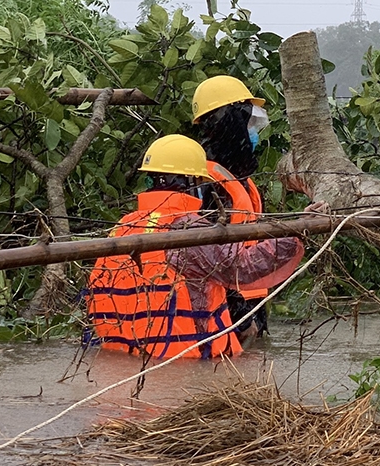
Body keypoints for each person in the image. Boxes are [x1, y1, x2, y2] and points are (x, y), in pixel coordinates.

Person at [85, 135, 305, 360]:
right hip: (184, 367)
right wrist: (297, 234)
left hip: (122, 363)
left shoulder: (124, 226)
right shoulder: (188, 229)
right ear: (190, 182)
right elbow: (243, 267)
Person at [191, 75, 321, 340]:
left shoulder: (240, 179)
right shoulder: (205, 180)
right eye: (249, 123)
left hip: (250, 299)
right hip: (226, 305)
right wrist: (238, 314)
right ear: (230, 123)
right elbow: (206, 259)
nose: (253, 133)